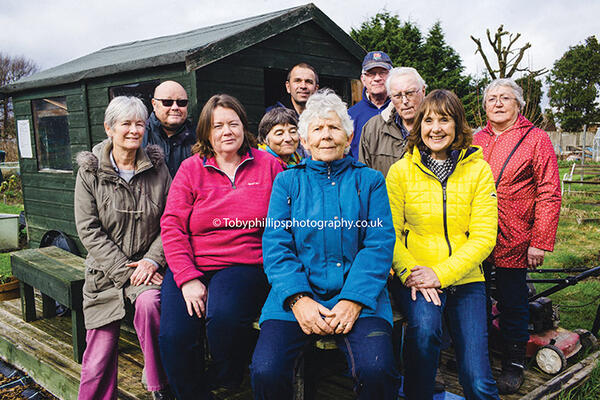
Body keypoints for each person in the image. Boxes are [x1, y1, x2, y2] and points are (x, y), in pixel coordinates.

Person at [251, 89, 399, 400]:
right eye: (317, 129)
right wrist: (297, 299)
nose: (326, 136)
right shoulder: (287, 182)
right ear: (304, 141)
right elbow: (277, 245)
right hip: (294, 298)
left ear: (348, 136)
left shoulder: (370, 181)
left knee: (377, 369)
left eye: (333, 127)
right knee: (266, 370)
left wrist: (354, 300)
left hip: (361, 296)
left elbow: (379, 244)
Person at [159, 94, 284, 400]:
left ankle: (228, 377)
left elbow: (285, 220)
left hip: (244, 263)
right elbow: (172, 225)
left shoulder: (269, 165)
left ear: (244, 127)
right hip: (194, 263)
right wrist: (187, 278)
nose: (227, 131)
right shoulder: (191, 169)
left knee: (223, 317)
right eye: (218, 126)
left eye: (233, 123)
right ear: (206, 132)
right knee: (174, 335)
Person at [386, 89, 500, 400]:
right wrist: (410, 271)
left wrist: (442, 274)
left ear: (457, 125)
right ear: (419, 126)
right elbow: (389, 233)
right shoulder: (400, 172)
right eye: (429, 120)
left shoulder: (478, 170)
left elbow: (484, 236)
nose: (436, 128)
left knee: (477, 379)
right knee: (424, 336)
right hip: (417, 279)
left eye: (445, 120)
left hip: (465, 279)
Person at [74, 96, 172, 400]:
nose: (134, 130)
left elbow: (172, 221)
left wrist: (152, 261)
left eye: (139, 124)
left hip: (148, 272)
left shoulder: (158, 169)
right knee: (98, 356)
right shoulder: (90, 172)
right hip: (105, 275)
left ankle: (160, 387)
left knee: (151, 305)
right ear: (109, 128)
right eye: (126, 124)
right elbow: (88, 228)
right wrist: (123, 271)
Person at [473, 78, 561, 394]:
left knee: (512, 300)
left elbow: (550, 190)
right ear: (484, 105)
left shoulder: (535, 139)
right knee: (475, 300)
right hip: (476, 232)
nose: (497, 103)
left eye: (505, 98)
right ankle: (477, 359)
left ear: (518, 104)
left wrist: (539, 239)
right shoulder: (474, 139)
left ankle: (513, 364)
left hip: (516, 233)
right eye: (491, 98)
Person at [359, 67, 426, 176]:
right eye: (397, 96)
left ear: (423, 91)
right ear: (390, 97)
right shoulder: (372, 128)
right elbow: (364, 177)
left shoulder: (437, 128)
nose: (404, 101)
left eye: (410, 93)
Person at [144, 80, 196, 177]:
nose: (175, 107)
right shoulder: (139, 137)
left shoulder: (199, 137)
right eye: (167, 102)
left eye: (181, 102)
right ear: (154, 104)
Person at [348, 51, 393, 159]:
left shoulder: (402, 110)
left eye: (382, 72)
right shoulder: (350, 115)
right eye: (371, 73)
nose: (377, 78)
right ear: (363, 79)